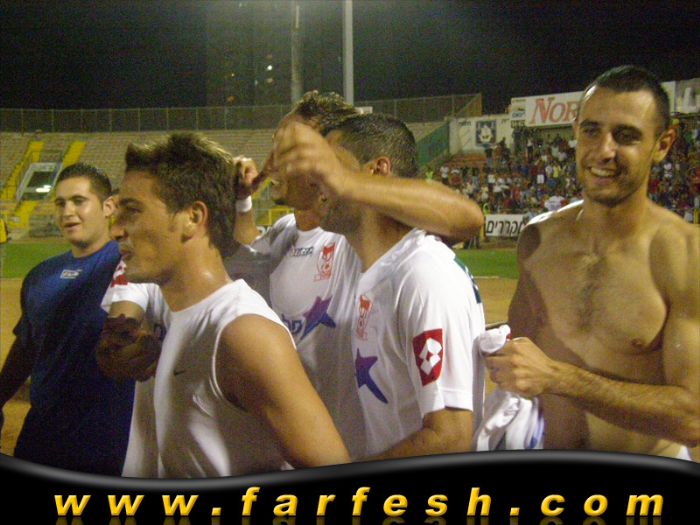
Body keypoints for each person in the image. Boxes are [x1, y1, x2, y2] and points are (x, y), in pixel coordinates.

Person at [231, 91, 484, 460]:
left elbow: (449, 438)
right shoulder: (369, 266)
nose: (317, 178)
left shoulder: (416, 270)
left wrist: (346, 182)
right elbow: (245, 263)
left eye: (302, 155)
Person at [488, 65, 700, 459]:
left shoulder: (686, 255)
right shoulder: (537, 240)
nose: (603, 150)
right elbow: (517, 348)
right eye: (591, 130)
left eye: (626, 136)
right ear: (575, 132)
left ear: (663, 144)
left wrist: (559, 378)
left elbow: (693, 418)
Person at [109, 131, 349, 477]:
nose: (116, 230)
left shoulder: (244, 333)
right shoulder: (182, 317)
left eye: (132, 212)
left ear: (193, 217)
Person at [0, 163, 134, 475]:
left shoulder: (131, 265)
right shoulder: (40, 275)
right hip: (41, 434)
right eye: (60, 203)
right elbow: (27, 348)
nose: (67, 212)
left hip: (107, 440)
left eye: (78, 201)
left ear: (108, 207)